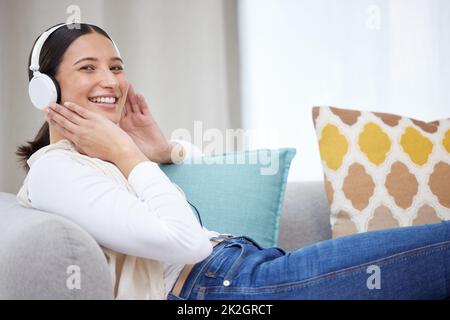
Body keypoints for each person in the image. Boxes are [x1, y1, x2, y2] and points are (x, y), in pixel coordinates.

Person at [16, 23, 450, 300]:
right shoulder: (57, 170)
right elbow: (189, 243)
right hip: (228, 289)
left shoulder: (106, 162)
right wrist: (129, 155)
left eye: (116, 66)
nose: (111, 80)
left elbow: (206, 209)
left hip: (247, 270)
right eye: (88, 68)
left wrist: (164, 153)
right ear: (46, 90)